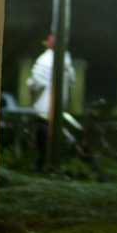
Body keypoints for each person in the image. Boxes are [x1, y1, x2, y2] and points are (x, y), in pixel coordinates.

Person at [27, 35, 76, 171]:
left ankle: (41, 162)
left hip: (45, 104)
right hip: (60, 103)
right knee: (54, 133)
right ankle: (49, 162)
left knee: (43, 134)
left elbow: (36, 81)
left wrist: (31, 85)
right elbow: (72, 80)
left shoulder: (45, 58)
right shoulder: (66, 57)